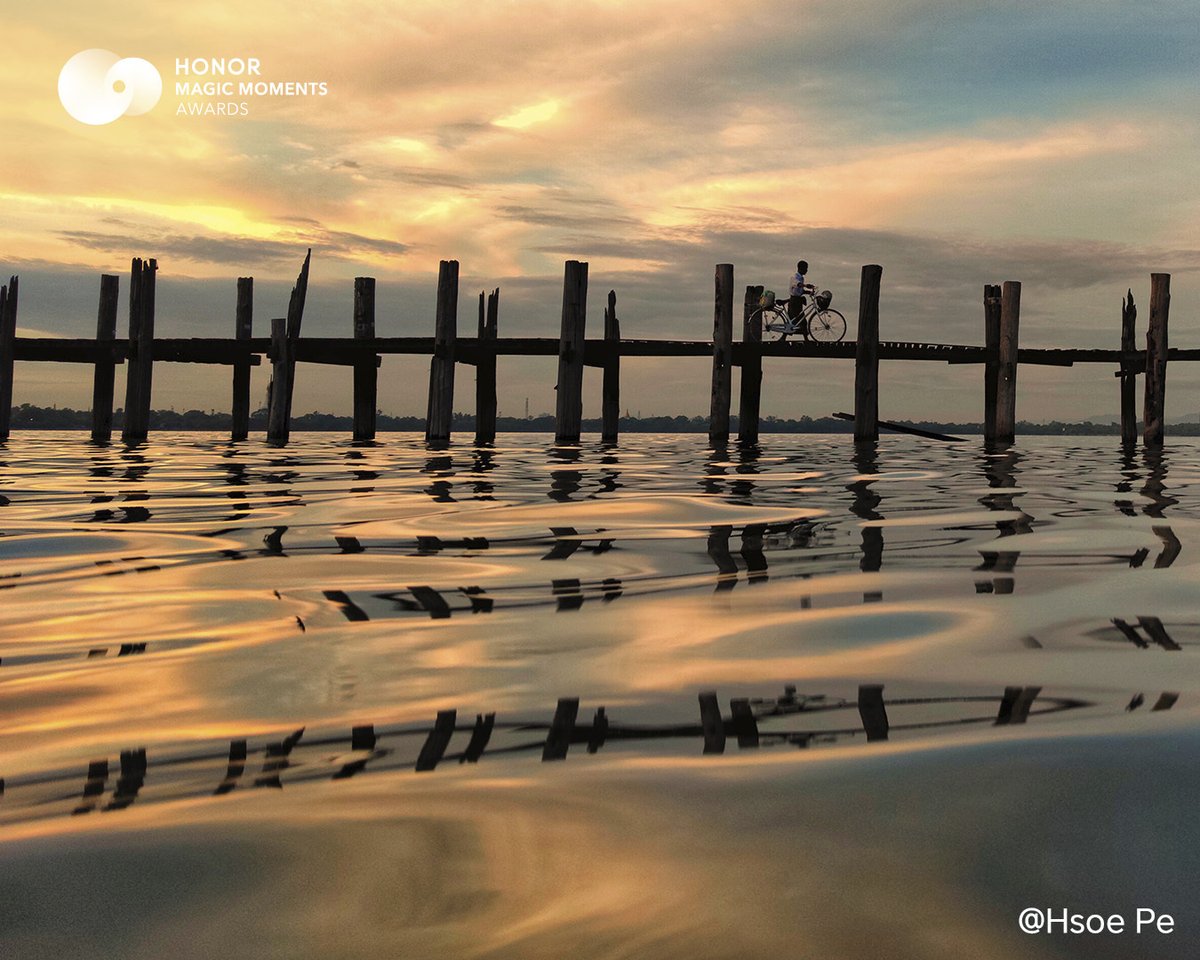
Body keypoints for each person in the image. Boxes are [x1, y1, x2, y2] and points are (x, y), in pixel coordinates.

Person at [788, 260, 816, 335]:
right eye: (805, 268)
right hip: (794, 301)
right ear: (801, 268)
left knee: (798, 320)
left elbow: (800, 290)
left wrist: (808, 292)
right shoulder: (795, 277)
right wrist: (806, 285)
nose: (807, 270)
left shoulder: (801, 278)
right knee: (800, 320)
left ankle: (805, 338)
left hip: (797, 301)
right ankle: (806, 339)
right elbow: (798, 284)